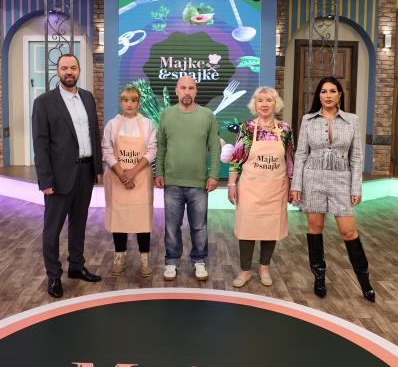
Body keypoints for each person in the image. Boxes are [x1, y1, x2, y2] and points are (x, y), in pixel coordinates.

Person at [290, 76, 375, 302]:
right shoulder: (308, 120)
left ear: (340, 95)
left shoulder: (352, 120)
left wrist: (356, 188)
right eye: (323, 91)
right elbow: (301, 154)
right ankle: (319, 278)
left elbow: (356, 157)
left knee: (348, 231)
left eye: (332, 91)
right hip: (313, 179)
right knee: (315, 228)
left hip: (341, 180)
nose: (327, 95)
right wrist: (296, 184)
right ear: (319, 96)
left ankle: (365, 282)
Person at [32, 53, 103, 298]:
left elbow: (94, 133)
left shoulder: (88, 98)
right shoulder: (44, 102)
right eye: (64, 68)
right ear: (58, 71)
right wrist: (45, 180)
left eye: (73, 67)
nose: (69, 72)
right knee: (52, 229)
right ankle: (54, 276)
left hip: (85, 171)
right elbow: (40, 144)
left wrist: (97, 168)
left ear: (79, 70)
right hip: (58, 177)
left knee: (79, 223)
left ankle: (76, 266)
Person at [155, 75, 220, 282]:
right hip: (172, 182)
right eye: (183, 88)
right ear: (176, 91)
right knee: (171, 227)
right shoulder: (166, 115)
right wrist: (159, 172)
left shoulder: (207, 115)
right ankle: (171, 262)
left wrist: (214, 174)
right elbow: (161, 147)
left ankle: (199, 261)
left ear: (196, 91)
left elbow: (214, 148)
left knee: (199, 227)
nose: (187, 92)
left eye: (191, 88)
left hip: (199, 183)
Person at [227, 86, 294, 287]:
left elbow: (290, 159)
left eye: (269, 100)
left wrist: (292, 185)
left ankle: (264, 267)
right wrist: (231, 184)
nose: (264, 104)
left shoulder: (285, 129)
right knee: (247, 228)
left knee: (270, 227)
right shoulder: (246, 128)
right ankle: (245, 270)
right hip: (250, 187)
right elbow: (236, 158)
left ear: (276, 104)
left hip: (276, 187)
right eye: (260, 100)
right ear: (255, 105)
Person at [102, 85, 157, 276]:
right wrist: (121, 173)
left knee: (142, 218)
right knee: (119, 218)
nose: (130, 104)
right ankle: (120, 256)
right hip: (117, 178)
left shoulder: (148, 124)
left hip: (140, 178)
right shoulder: (112, 125)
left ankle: (144, 257)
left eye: (133, 100)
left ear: (138, 103)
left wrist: (132, 172)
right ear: (121, 102)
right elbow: (107, 150)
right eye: (126, 100)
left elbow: (152, 150)